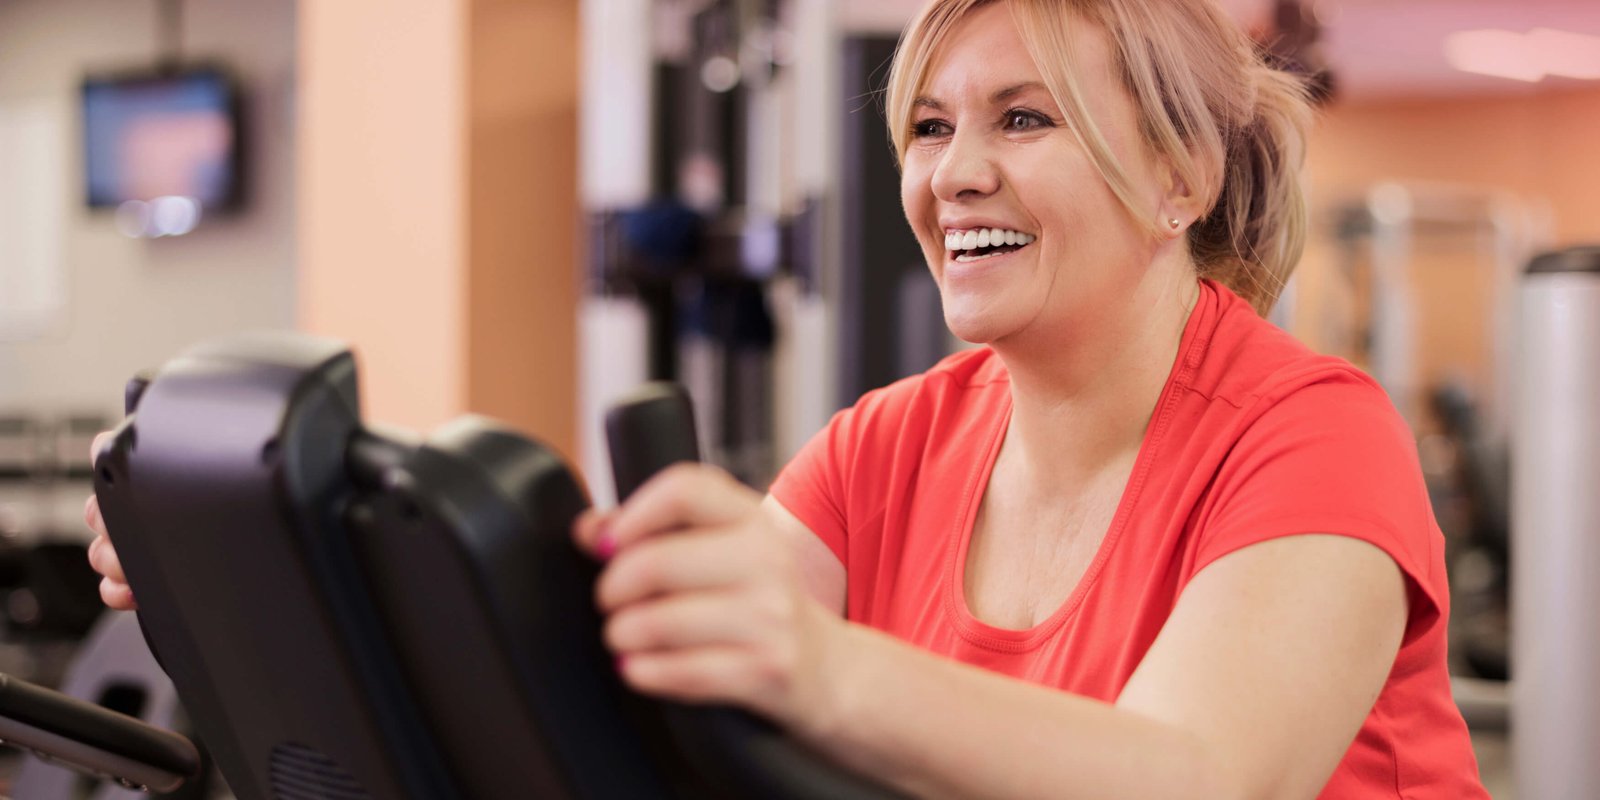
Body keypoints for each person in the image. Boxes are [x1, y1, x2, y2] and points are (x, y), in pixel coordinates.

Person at [87, 0, 1489, 796]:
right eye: (930, 128)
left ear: (1180, 181)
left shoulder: (1309, 434)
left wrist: (816, 666)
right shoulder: (891, 445)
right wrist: (269, 570)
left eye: (1024, 119)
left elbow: (1195, 780)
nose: (955, 175)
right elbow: (619, 661)